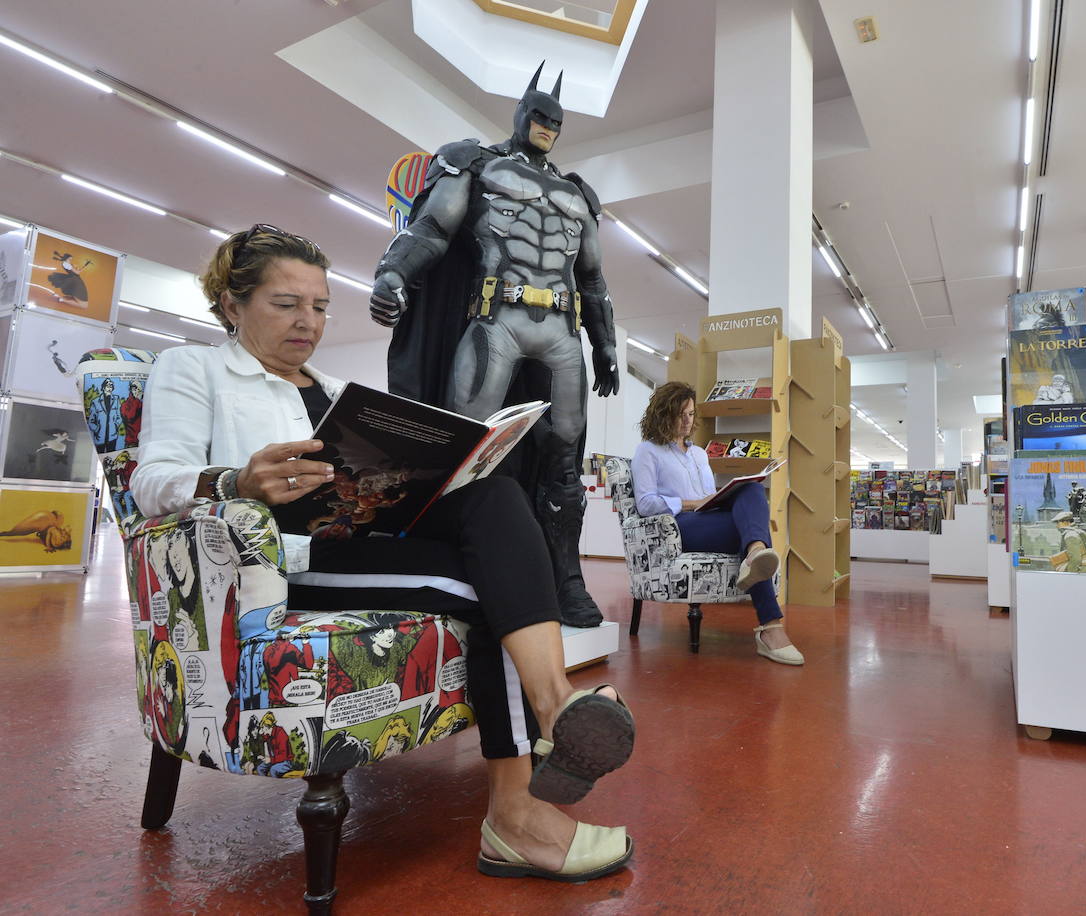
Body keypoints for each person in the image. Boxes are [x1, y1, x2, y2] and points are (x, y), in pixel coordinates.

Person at [131, 225, 635, 882]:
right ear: (232, 304)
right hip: (283, 563)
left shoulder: (337, 390)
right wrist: (235, 480)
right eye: (286, 304)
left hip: (364, 538)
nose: (307, 322)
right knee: (494, 590)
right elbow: (151, 483)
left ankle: (550, 711)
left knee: (497, 498)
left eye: (318, 306)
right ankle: (521, 802)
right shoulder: (193, 368)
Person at [369, 62, 618, 630]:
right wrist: (393, 276)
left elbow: (594, 280)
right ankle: (453, 563)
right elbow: (433, 229)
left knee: (563, 459)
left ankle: (566, 579)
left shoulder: (579, 195)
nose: (548, 126)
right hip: (496, 316)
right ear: (520, 113)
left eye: (556, 121)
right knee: (464, 448)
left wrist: (604, 345)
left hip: (559, 327)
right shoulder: (475, 163)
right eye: (539, 115)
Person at [630, 381, 802, 666]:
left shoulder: (698, 453)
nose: (688, 421)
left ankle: (756, 553)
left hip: (707, 517)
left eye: (691, 414)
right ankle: (770, 629)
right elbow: (645, 503)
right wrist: (689, 503)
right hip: (679, 526)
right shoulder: (647, 451)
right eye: (681, 414)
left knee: (752, 490)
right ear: (664, 414)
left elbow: (707, 495)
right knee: (745, 529)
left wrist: (719, 497)